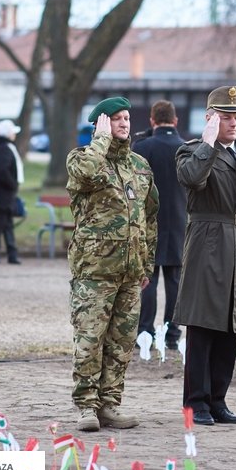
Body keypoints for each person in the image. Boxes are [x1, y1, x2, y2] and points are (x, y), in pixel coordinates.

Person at [66, 96, 159, 432]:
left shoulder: (139, 166)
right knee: (90, 340)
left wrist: (146, 265)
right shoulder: (81, 160)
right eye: (115, 119)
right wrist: (100, 142)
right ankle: (86, 407)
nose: (124, 124)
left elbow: (149, 217)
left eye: (126, 118)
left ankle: (109, 405)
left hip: (130, 273)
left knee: (120, 344)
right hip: (94, 271)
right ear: (100, 124)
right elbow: (87, 173)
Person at [173, 85, 236, 427]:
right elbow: (192, 179)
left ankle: (218, 399)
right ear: (210, 118)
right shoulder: (191, 151)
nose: (233, 122)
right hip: (208, 242)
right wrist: (208, 143)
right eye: (226, 117)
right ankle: (196, 404)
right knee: (203, 326)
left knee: (231, 326)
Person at [132, 100, 185, 350]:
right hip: (178, 221)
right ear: (175, 121)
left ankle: (146, 332)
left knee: (148, 280)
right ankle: (172, 333)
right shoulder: (186, 148)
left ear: (152, 121)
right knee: (174, 281)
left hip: (149, 222)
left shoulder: (143, 146)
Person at [0, 119, 23, 265]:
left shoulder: (4, 147)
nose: (14, 135)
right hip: (2, 193)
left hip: (5, 193)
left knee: (7, 224)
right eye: (13, 132)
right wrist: (12, 184)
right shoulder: (3, 149)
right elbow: (2, 170)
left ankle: (11, 254)